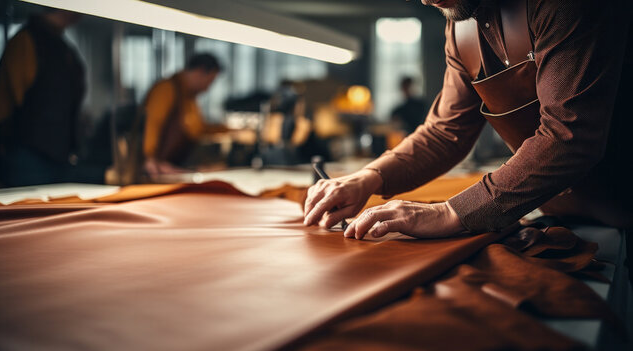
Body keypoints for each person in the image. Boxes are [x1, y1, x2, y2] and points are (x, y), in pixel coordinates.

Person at [304, 0, 632, 240]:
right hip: (565, 212)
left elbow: (569, 134)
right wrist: (370, 177)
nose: (426, 0)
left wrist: (452, 212)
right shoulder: (460, 27)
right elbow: (446, 131)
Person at [0, 9, 103, 186]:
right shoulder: (26, 41)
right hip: (28, 158)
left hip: (60, 159)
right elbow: (2, 107)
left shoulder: (64, 48)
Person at [142, 53, 226, 176]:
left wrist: (231, 129)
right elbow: (151, 124)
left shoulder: (189, 98)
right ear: (200, 72)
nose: (208, 88)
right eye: (210, 81)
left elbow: (199, 128)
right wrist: (149, 159)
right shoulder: (166, 89)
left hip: (173, 168)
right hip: (157, 169)